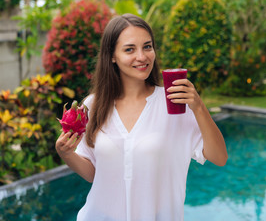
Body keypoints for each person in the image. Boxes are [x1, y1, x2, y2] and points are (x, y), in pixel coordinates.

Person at [55, 13, 228, 221]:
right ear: (112, 56)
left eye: (147, 46)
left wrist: (199, 107)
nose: (142, 56)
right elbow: (96, 175)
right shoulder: (93, 105)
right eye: (130, 49)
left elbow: (219, 158)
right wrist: (66, 154)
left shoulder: (173, 104)